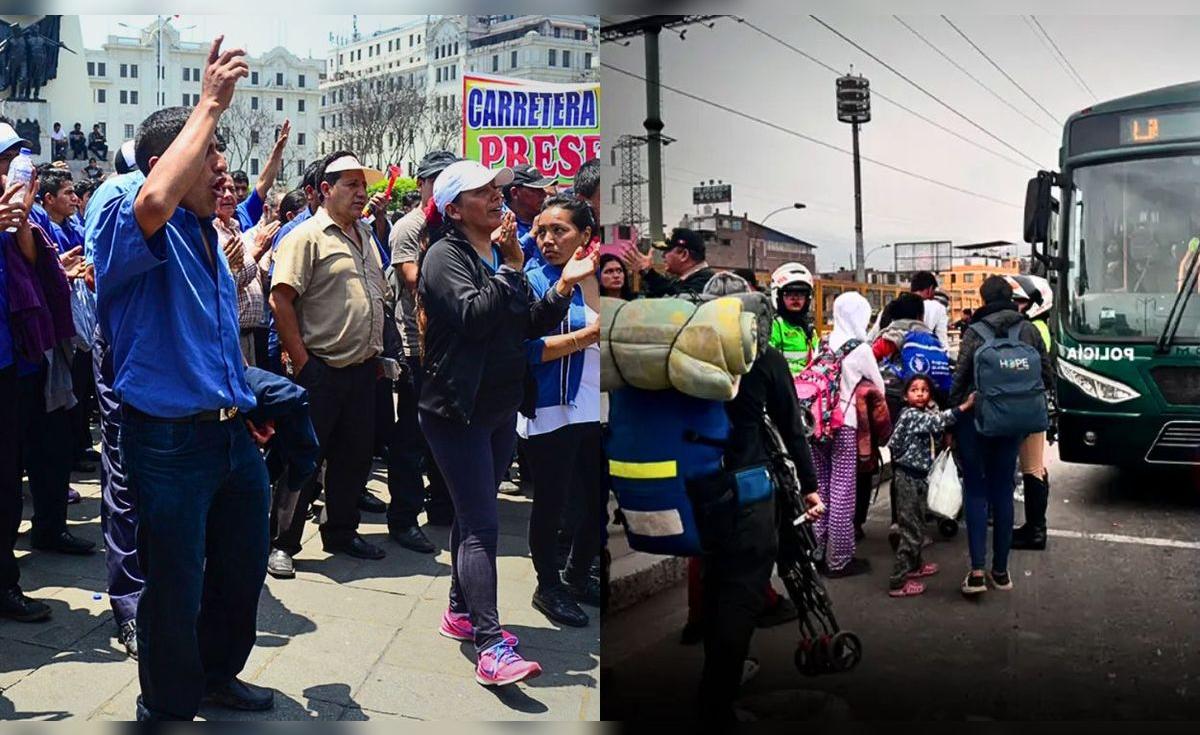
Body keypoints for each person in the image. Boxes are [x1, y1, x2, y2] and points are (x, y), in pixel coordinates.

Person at [91, 37, 278, 719]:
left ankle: (216, 673)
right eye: (209, 158)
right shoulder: (128, 217)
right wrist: (208, 102)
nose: (223, 173)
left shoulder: (210, 232)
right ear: (164, 165)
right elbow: (150, 204)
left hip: (229, 436)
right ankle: (167, 704)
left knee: (240, 568)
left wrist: (245, 399)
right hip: (167, 444)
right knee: (174, 582)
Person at [419, 159, 596, 686]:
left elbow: (522, 324)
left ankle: (459, 608)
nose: (497, 197)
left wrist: (563, 288)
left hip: (497, 407)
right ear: (454, 209)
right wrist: (513, 269)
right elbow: (474, 317)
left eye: (496, 189)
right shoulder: (443, 257)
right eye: (482, 192)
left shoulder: (498, 253)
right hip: (457, 410)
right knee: (480, 524)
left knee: (476, 513)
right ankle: (491, 642)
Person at [690, 272, 823, 722]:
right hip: (746, 488)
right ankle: (717, 704)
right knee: (741, 593)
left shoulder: (682, 351)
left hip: (694, 486)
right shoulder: (763, 356)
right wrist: (810, 488)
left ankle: (720, 675)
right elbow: (792, 428)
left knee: (713, 583)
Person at [268, 150, 392, 574]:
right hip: (320, 370)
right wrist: (303, 363)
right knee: (303, 458)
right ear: (325, 190)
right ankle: (281, 541)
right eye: (351, 185)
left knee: (354, 458)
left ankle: (340, 530)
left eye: (363, 185)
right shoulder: (305, 236)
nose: (361, 193)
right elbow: (281, 299)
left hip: (362, 370)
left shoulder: (365, 235)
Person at [522, 195, 604, 628]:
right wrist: (587, 337)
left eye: (560, 231)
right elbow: (527, 350)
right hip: (552, 409)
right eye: (542, 231)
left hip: (598, 408)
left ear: (586, 236)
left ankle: (576, 574)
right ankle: (547, 585)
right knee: (551, 505)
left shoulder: (604, 278)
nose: (548, 240)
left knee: (595, 505)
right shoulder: (532, 281)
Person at [949, 276, 1052, 597]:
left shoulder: (974, 332)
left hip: (976, 421)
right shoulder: (1029, 329)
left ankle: (977, 571)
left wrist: (952, 419)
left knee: (977, 491)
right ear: (1011, 298)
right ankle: (1002, 572)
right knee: (1003, 490)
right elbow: (1046, 375)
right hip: (1012, 424)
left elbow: (960, 379)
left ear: (982, 299)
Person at [84, 163, 147, 658]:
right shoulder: (119, 197)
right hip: (125, 361)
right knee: (124, 485)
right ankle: (130, 608)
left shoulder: (198, 213)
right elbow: (100, 274)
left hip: (171, 382)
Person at [385, 150, 460, 548]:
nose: (445, 185)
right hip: (416, 347)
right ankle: (403, 516)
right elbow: (415, 281)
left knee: (443, 433)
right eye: (438, 179)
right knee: (411, 437)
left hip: (449, 348)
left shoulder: (452, 225)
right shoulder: (410, 227)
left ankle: (442, 506)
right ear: (423, 184)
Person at [0, 121, 59, 623]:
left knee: (5, 480)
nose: (10, 173)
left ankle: (4, 583)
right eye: (3, 163)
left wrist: (19, 218)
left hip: (11, 364)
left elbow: (30, 260)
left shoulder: (14, 218)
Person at [812, 291, 885, 578]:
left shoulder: (824, 341)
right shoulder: (861, 349)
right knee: (843, 492)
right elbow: (877, 388)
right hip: (845, 425)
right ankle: (839, 559)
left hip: (818, 424)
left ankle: (817, 550)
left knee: (819, 489)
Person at [886, 376, 974, 597]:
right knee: (911, 532)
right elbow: (938, 422)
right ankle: (898, 582)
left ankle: (915, 567)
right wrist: (964, 407)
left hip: (916, 478)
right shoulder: (911, 415)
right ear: (906, 396)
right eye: (914, 390)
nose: (919, 393)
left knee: (917, 525)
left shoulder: (921, 414)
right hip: (907, 478)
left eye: (924, 390)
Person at [1010, 274, 1054, 552]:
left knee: (1033, 468)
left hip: (1029, 403)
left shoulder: (1034, 328)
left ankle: (1036, 530)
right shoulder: (1035, 326)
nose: (1017, 306)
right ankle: (1035, 527)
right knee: (1035, 467)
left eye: (1022, 301)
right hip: (1035, 403)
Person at [214, 176, 276, 366]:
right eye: (221, 190)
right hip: (231, 334)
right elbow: (226, 280)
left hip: (250, 334)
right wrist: (257, 250)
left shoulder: (236, 231)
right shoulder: (212, 234)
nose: (228, 196)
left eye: (231, 190)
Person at [621, 227, 715, 297]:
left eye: (667, 251)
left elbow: (676, 298)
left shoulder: (707, 281)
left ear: (684, 255)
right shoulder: (682, 280)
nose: (663, 256)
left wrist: (648, 273)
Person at [768, 261, 818, 375]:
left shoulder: (809, 328)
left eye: (801, 294)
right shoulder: (774, 326)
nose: (796, 299)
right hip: (782, 386)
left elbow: (817, 359)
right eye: (789, 294)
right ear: (778, 296)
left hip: (807, 387)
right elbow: (768, 361)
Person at [502, 163, 556, 266]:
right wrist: (532, 234)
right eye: (535, 190)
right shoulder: (497, 221)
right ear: (514, 193)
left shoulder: (545, 216)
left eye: (543, 189)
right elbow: (506, 258)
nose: (544, 194)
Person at [911, 270, 950, 345]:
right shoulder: (937, 307)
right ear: (930, 289)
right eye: (934, 291)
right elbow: (942, 340)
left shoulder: (889, 307)